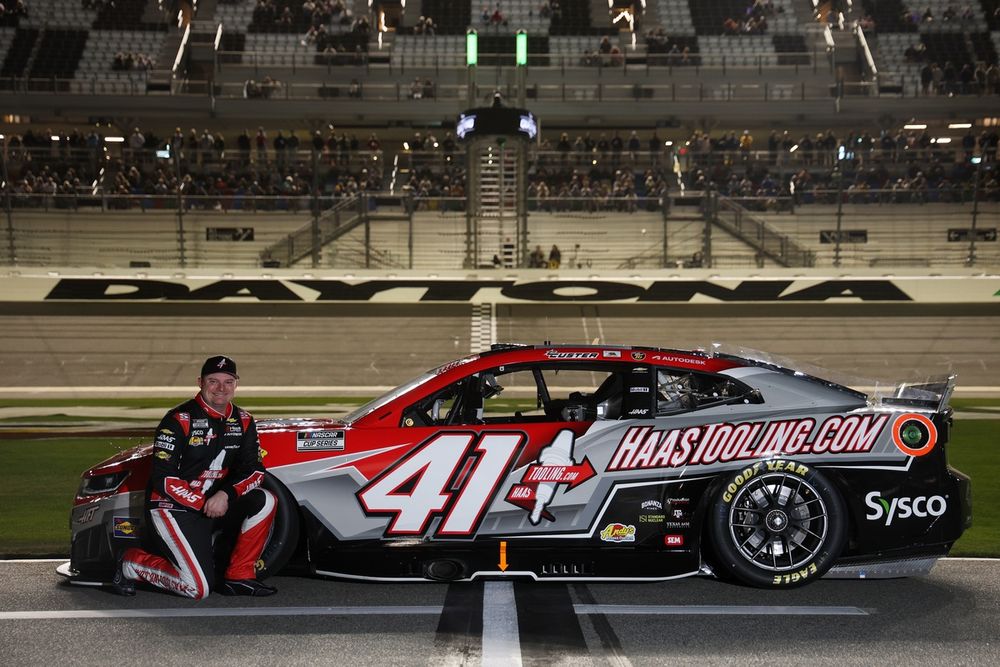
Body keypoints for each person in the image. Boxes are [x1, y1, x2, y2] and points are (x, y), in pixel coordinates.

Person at [110, 356, 277, 598]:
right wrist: (202, 504)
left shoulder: (243, 420)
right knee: (196, 589)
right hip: (172, 507)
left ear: (236, 384)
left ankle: (239, 576)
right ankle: (131, 563)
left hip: (214, 504)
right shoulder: (178, 419)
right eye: (213, 381)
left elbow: (254, 470)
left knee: (266, 500)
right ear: (200, 382)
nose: (221, 388)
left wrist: (225, 495)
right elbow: (163, 478)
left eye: (228, 381)